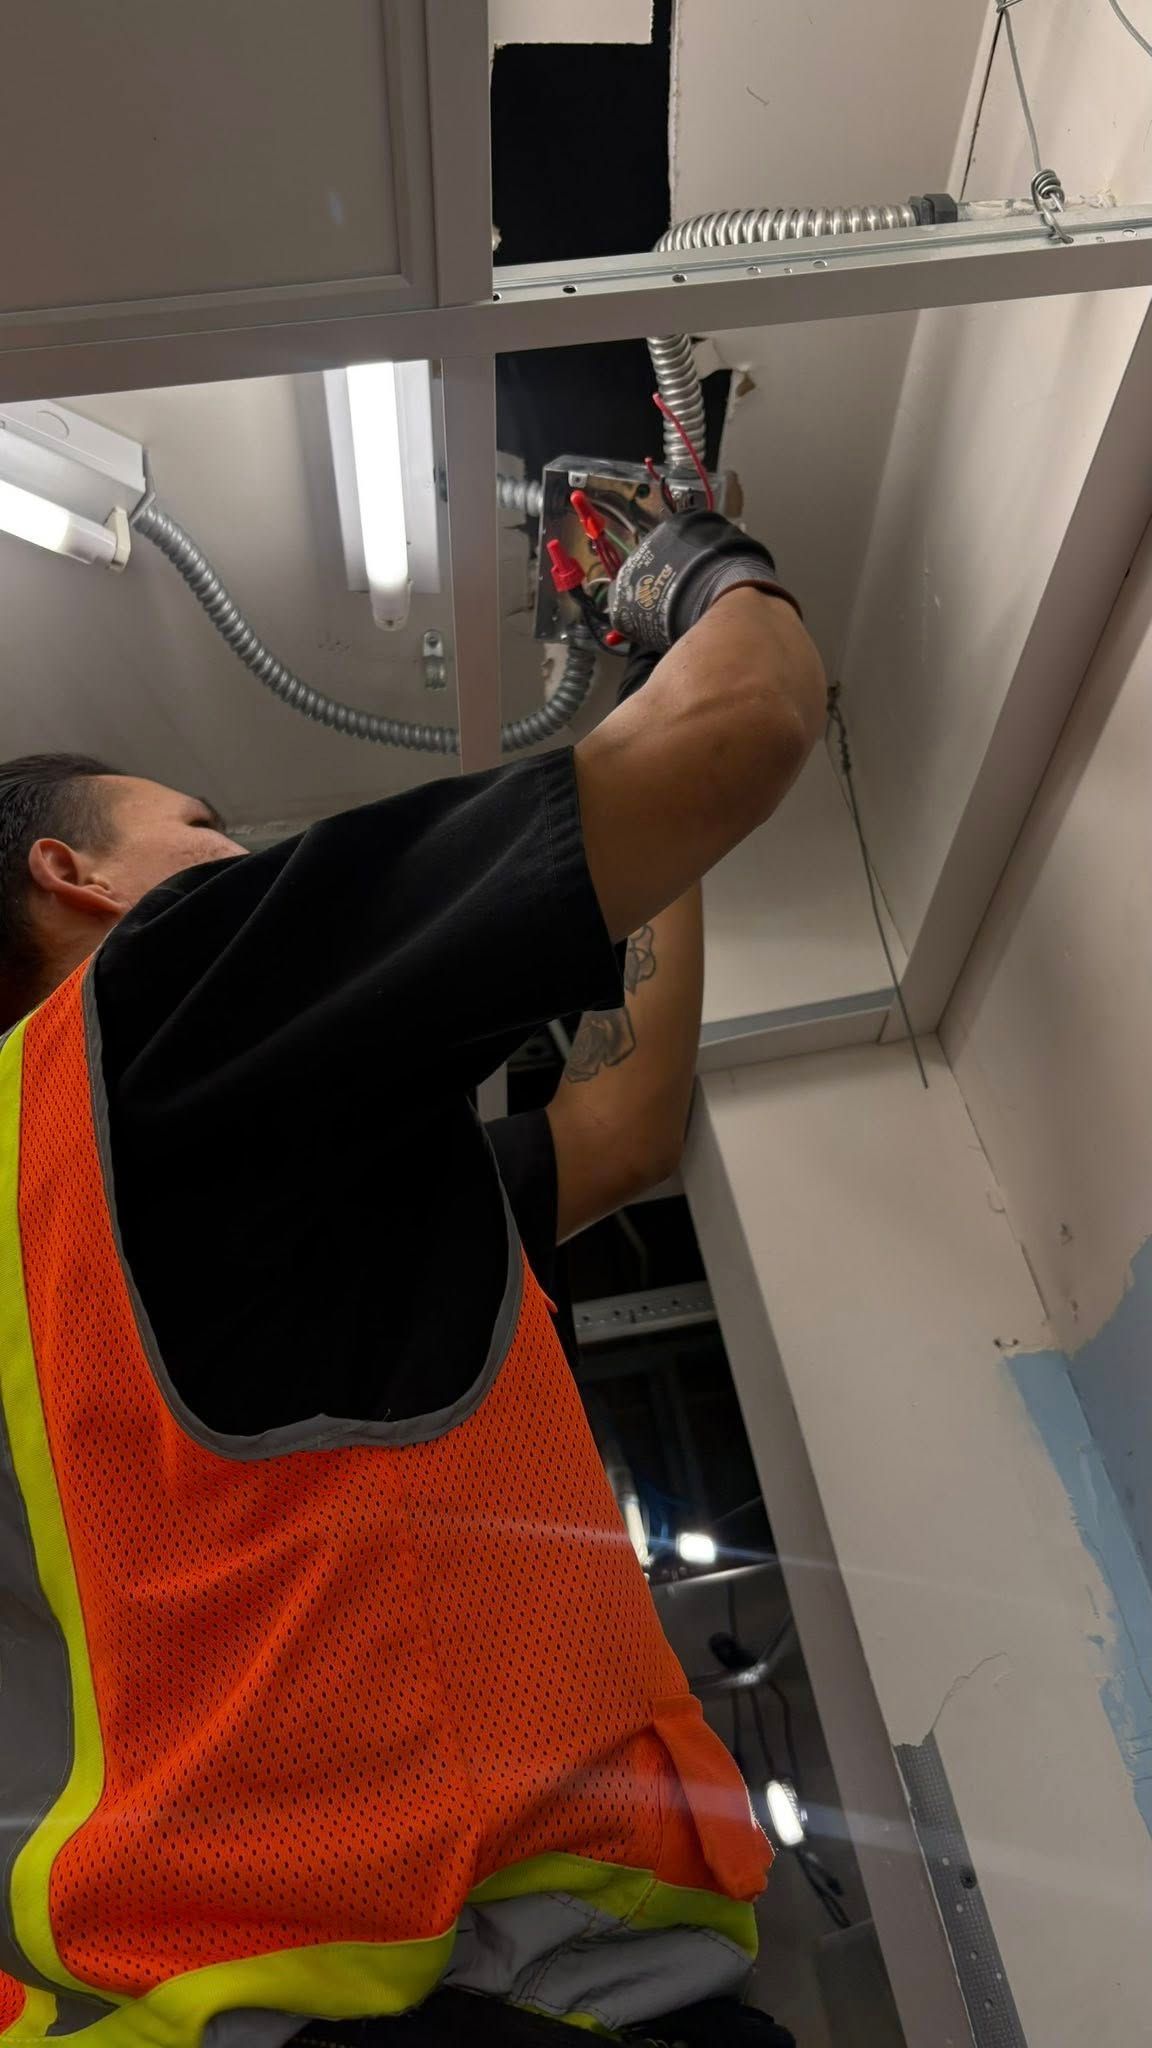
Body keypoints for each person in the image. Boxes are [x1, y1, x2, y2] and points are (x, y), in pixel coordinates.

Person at [0, 514, 822, 2047]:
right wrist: (700, 569)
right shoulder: (169, 1000)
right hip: (445, 1992)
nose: (236, 857)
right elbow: (745, 726)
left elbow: (619, 1132)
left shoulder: (107, 1226)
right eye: (197, 823)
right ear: (77, 878)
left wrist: (642, 840)